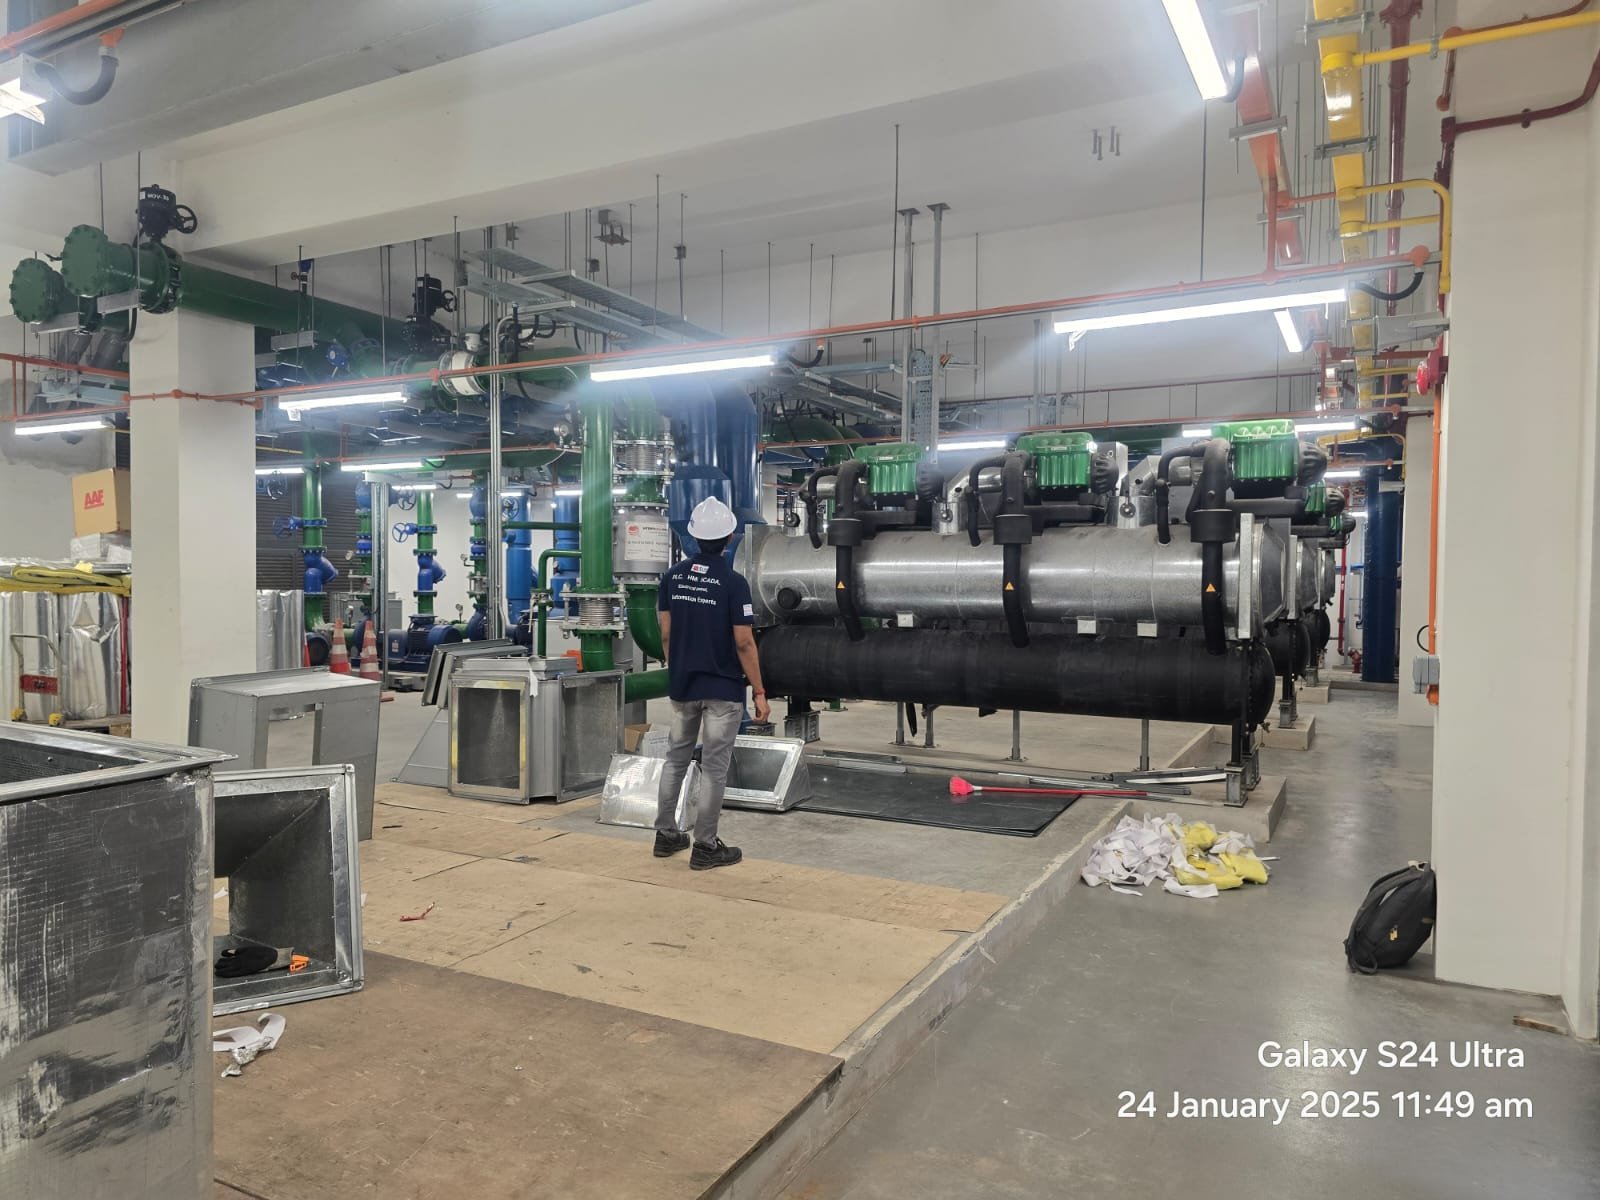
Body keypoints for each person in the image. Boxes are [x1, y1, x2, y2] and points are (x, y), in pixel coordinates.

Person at [653, 496, 771, 870]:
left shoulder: (672, 578)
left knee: (675, 760)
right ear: (730, 537)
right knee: (714, 768)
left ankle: (666, 835)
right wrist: (760, 691)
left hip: (683, 686)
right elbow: (744, 642)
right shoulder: (734, 583)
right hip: (722, 689)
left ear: (693, 536)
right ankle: (705, 846)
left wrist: (677, 668)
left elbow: (666, 633)